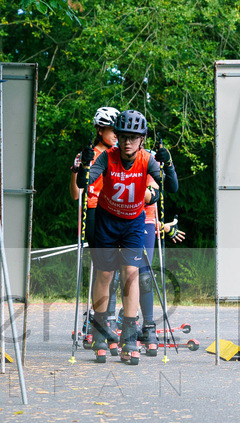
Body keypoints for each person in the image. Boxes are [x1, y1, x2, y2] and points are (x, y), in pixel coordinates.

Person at [76, 110, 164, 365]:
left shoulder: (147, 160)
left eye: (133, 138)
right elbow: (87, 181)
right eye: (123, 136)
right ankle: (100, 334)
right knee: (104, 274)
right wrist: (83, 168)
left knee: (131, 274)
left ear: (142, 139)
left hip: (133, 223)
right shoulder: (107, 157)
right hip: (107, 220)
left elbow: (163, 185)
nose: (127, 142)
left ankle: (128, 338)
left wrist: (156, 185)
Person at [70, 106, 121, 347]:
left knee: (117, 270)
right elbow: (75, 194)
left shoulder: (119, 154)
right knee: (104, 269)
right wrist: (78, 169)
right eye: (112, 131)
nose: (116, 136)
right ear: (100, 130)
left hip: (116, 213)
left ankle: (105, 319)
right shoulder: (89, 154)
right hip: (93, 212)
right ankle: (100, 322)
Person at [137, 140, 181, 356]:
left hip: (145, 220)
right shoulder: (116, 158)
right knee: (116, 274)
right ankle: (113, 320)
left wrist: (169, 163)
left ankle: (148, 325)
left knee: (144, 275)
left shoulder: (149, 157)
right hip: (119, 218)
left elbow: (167, 188)